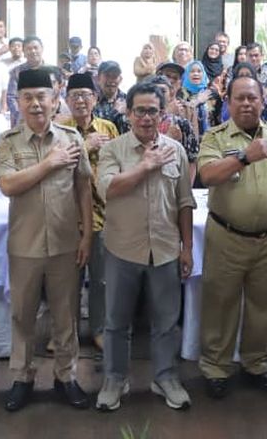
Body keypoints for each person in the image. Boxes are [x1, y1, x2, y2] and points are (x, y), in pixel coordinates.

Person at [0, 67, 93, 412]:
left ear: (54, 100)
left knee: (66, 316)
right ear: (18, 102)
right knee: (23, 315)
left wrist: (87, 235)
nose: (35, 104)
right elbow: (8, 185)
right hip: (25, 245)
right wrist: (50, 164)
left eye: (41, 96)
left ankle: (66, 377)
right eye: (28, 98)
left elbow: (84, 188)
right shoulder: (8, 142)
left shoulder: (71, 138)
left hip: (66, 243)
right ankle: (22, 378)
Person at [93, 82, 195, 412]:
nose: (146, 117)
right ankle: (114, 379)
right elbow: (107, 189)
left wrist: (187, 248)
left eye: (153, 111)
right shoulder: (113, 150)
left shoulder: (176, 151)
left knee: (166, 322)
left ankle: (165, 378)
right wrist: (145, 166)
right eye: (140, 111)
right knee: (116, 321)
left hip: (165, 249)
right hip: (122, 249)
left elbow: (185, 202)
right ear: (128, 113)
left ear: (162, 113)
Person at [196, 75, 267, 398]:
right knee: (220, 304)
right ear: (228, 102)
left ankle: (257, 364)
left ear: (262, 101)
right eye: (239, 98)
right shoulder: (215, 137)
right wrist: (243, 156)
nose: (246, 103)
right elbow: (207, 175)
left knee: (262, 305)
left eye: (252, 98)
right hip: (227, 236)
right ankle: (216, 368)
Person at [57, 73, 119, 352]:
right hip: (67, 217)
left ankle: (99, 329)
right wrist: (85, 146)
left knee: (101, 279)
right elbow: (55, 167)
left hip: (103, 215)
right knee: (66, 280)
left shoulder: (108, 128)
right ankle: (64, 332)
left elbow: (120, 164)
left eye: (85, 95)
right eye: (74, 96)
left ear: (95, 98)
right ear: (66, 100)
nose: (80, 100)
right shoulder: (59, 129)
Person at [5, 36, 48, 122]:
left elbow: (58, 96)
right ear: (24, 52)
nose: (33, 51)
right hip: (23, 119)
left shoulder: (52, 71)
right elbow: (11, 97)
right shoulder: (16, 72)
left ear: (42, 49)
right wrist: (21, 116)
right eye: (29, 49)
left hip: (48, 117)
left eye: (35, 48)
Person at [94, 61, 129, 134]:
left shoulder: (129, 100)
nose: (110, 80)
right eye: (107, 76)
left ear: (120, 79)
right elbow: (96, 128)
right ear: (98, 79)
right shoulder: (92, 102)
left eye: (114, 76)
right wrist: (115, 112)